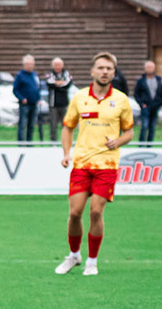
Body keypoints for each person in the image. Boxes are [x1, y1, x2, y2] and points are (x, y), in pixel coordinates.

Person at [55, 52, 133, 278]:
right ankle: (74, 255)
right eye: (100, 68)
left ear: (114, 73)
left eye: (108, 68)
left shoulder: (121, 100)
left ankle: (92, 261)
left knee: (96, 211)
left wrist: (117, 141)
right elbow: (68, 127)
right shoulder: (79, 97)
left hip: (107, 165)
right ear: (92, 71)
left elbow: (129, 132)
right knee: (75, 213)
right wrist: (66, 153)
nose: (104, 72)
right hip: (81, 164)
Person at [13, 55, 43, 144]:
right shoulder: (20, 75)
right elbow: (15, 89)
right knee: (23, 124)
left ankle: (29, 143)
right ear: (24, 64)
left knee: (31, 125)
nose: (30, 66)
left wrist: (38, 98)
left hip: (34, 103)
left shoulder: (34, 75)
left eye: (31, 64)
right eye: (28, 64)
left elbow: (37, 88)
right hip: (24, 104)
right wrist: (21, 98)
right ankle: (21, 143)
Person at [133, 61, 162, 144]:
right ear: (145, 68)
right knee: (144, 126)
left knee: (152, 127)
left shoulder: (158, 80)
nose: (150, 69)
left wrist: (160, 104)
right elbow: (136, 94)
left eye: (151, 67)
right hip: (145, 106)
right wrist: (141, 104)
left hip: (155, 106)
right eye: (148, 67)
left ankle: (150, 145)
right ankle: (141, 145)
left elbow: (161, 93)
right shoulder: (141, 81)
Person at [45, 58, 73, 137]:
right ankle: (53, 142)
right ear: (53, 66)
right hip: (53, 104)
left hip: (64, 103)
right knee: (53, 125)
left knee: (66, 124)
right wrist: (60, 83)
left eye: (59, 65)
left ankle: (66, 140)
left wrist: (57, 84)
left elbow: (68, 83)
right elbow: (49, 83)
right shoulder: (49, 73)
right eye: (56, 65)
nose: (58, 67)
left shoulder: (66, 73)